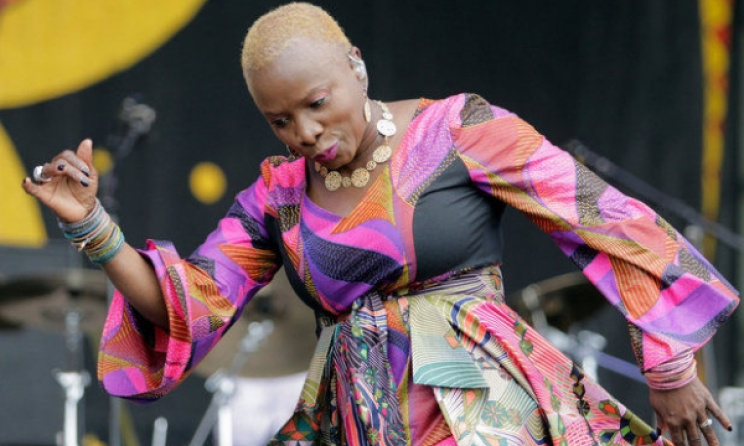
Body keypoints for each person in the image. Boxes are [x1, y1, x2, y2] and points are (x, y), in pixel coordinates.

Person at [22, 3, 740, 445]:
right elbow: (185, 304)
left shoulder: (457, 129)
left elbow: (605, 220)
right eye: (279, 120)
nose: (303, 131)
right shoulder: (278, 199)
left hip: (481, 412)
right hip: (361, 419)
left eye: (316, 103)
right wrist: (94, 227)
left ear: (356, 67)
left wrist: (670, 366)